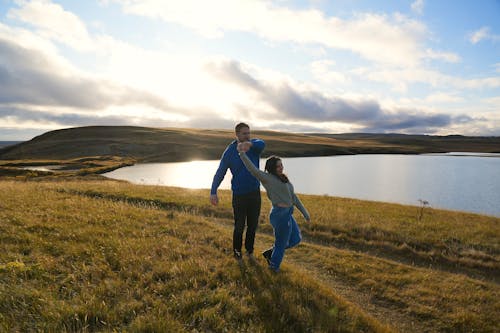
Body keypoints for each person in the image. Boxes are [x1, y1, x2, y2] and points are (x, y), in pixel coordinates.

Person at [237, 141, 310, 272]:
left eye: (281, 165)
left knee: (295, 239)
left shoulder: (284, 179)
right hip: (279, 214)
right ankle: (273, 268)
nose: (281, 168)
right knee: (281, 244)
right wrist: (242, 153)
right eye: (278, 166)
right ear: (272, 168)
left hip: (288, 213)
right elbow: (252, 169)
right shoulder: (267, 178)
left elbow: (293, 197)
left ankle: (271, 253)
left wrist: (305, 213)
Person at [210, 123, 265, 260]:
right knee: (239, 225)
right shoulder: (229, 152)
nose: (247, 136)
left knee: (252, 225)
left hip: (254, 193)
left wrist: (250, 145)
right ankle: (237, 253)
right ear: (237, 135)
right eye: (244, 134)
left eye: (248, 133)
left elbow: (262, 143)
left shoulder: (253, 146)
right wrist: (213, 191)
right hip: (239, 195)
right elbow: (220, 172)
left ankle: (249, 251)